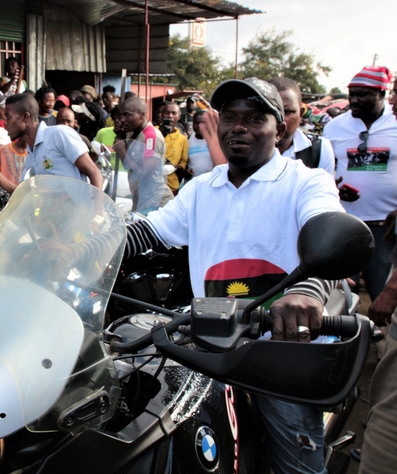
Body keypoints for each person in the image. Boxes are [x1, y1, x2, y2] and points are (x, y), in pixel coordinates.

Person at [126, 77, 344, 474]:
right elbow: (149, 230)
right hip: (207, 344)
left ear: (279, 129)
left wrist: (308, 292)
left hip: (279, 348)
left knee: (298, 465)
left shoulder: (306, 182)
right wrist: (87, 247)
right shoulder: (200, 189)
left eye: (254, 118)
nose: (238, 127)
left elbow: (327, 235)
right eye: (229, 117)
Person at [324, 66, 397, 301]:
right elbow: (324, 169)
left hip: (385, 228)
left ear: (381, 94)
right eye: (351, 94)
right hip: (345, 223)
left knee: (382, 293)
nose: (354, 100)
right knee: (339, 294)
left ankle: (380, 337)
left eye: (362, 95)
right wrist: (333, 189)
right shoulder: (335, 126)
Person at [359, 71, 397, 474]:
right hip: (351, 225)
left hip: (382, 237)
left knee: (383, 310)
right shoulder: (338, 128)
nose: (396, 102)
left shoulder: (394, 128)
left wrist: (392, 287)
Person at [3, 93, 102, 189]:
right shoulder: (31, 152)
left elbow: (94, 173)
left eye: (8, 117)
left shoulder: (59, 134)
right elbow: (21, 194)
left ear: (25, 117)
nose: (5, 123)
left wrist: (95, 205)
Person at [114, 97, 172, 213]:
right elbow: (128, 166)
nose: (123, 119)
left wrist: (122, 151)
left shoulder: (151, 136)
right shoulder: (131, 132)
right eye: (121, 115)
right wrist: (120, 135)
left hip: (155, 201)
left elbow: (145, 175)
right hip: (141, 199)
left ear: (142, 114)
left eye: (127, 115)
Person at [269, 77, 335, 174]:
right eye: (271, 111)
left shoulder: (319, 148)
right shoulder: (244, 147)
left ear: (301, 114)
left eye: (287, 112)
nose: (279, 119)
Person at [159, 101, 189, 193]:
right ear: (162, 115)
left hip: (172, 186)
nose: (170, 116)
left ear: (179, 116)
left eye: (174, 113)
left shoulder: (183, 139)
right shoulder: (153, 131)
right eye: (167, 113)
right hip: (152, 184)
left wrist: (174, 166)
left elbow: (183, 163)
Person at [185, 110, 213, 180]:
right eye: (196, 123)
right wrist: (186, 170)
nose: (199, 126)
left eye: (202, 123)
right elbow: (184, 161)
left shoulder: (215, 139)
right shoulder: (188, 140)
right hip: (193, 183)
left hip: (211, 182)